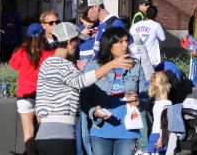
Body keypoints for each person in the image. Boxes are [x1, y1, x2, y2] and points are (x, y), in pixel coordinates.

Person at [34, 22, 134, 155]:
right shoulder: (64, 65)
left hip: (43, 135)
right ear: (70, 41)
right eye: (78, 41)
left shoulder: (46, 63)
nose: (78, 46)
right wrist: (112, 65)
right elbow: (82, 81)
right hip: (60, 136)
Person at [81, 26, 145, 155]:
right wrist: (95, 111)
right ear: (109, 44)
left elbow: (146, 96)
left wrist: (140, 101)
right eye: (120, 41)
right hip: (100, 130)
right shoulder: (94, 67)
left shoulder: (135, 67)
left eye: (127, 41)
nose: (125, 45)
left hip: (128, 132)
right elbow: (83, 99)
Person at [11, 23, 54, 155]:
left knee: (28, 132)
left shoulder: (21, 52)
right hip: (44, 96)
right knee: (44, 131)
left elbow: (13, 65)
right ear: (42, 36)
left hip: (25, 96)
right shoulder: (49, 52)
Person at [145, 72, 171, 154]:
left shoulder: (156, 103)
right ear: (166, 85)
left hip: (154, 134)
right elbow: (164, 121)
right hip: (162, 135)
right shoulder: (167, 103)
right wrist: (162, 138)